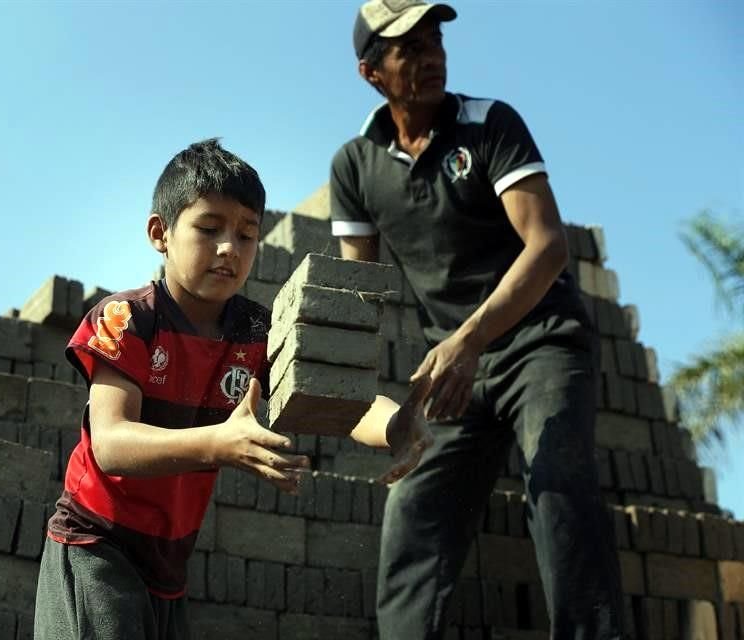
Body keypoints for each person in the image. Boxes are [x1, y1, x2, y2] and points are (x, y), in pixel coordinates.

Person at [330, 2, 626, 638]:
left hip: (540, 343)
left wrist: (468, 339)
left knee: (557, 487)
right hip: (455, 371)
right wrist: (363, 399)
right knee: (413, 515)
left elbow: (547, 246)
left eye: (435, 39)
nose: (431, 55)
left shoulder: (489, 124)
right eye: (409, 48)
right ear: (371, 73)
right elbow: (361, 294)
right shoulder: (355, 166)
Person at [34, 139, 311, 640]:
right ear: (160, 233)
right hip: (97, 547)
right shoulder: (128, 319)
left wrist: (396, 425)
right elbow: (112, 444)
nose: (230, 248)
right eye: (209, 229)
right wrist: (218, 443)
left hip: (169, 568)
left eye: (247, 235)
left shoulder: (257, 334)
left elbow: (337, 396)